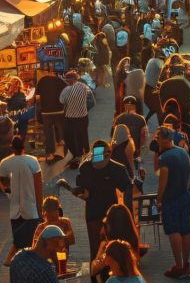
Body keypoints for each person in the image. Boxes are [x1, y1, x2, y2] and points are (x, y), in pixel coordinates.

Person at [70, 139, 133, 270]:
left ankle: (97, 276)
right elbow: (128, 188)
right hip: (110, 215)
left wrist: (85, 194)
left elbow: (83, 192)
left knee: (96, 247)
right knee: (110, 247)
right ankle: (110, 273)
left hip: (97, 214)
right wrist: (128, 213)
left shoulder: (86, 167)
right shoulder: (117, 168)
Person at [156, 126, 190, 279]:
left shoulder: (164, 158)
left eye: (158, 138)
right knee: (186, 231)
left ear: (163, 140)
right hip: (185, 196)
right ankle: (186, 265)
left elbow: (163, 181)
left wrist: (159, 201)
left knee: (174, 231)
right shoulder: (183, 152)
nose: (157, 140)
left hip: (171, 199)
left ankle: (178, 266)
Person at [0, 136, 44, 266]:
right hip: (31, 208)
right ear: (24, 147)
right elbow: (38, 187)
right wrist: (40, 210)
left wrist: (7, 192)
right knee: (30, 240)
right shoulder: (33, 161)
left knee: (19, 240)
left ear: (12, 148)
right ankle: (12, 260)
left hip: (15, 210)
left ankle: (15, 260)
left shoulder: (5, 162)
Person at [59, 70, 94, 160]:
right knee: (83, 134)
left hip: (71, 117)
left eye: (67, 79)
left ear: (72, 79)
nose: (66, 81)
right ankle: (86, 151)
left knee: (72, 136)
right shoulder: (85, 87)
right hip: (84, 116)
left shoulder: (67, 90)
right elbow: (92, 101)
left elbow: (61, 101)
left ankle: (77, 155)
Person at [35, 70, 68, 164]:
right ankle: (62, 152)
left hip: (46, 112)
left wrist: (38, 114)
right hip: (59, 110)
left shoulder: (40, 81)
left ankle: (50, 154)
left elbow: (37, 98)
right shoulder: (59, 80)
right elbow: (67, 90)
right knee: (60, 129)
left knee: (48, 133)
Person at [112, 97, 149, 163]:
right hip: (135, 151)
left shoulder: (118, 119)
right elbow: (143, 137)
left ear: (124, 106)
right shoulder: (141, 119)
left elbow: (114, 137)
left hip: (120, 152)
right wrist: (139, 152)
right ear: (134, 106)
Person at [142, 56, 163, 125]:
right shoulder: (157, 62)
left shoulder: (151, 60)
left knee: (152, 109)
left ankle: (145, 121)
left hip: (146, 86)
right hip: (149, 88)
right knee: (156, 109)